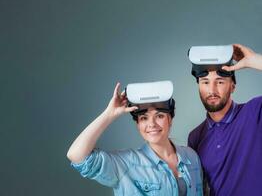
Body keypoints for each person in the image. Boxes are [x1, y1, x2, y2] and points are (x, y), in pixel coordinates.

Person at [67, 81, 203, 196]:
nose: (152, 124)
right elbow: (76, 155)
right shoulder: (126, 164)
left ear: (170, 119)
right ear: (138, 124)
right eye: (144, 118)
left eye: (159, 116)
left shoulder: (191, 157)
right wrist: (109, 114)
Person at [187, 44, 262, 196]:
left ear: (232, 86)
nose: (212, 90)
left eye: (220, 81)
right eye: (205, 82)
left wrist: (254, 60)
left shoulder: (255, 112)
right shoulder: (195, 137)